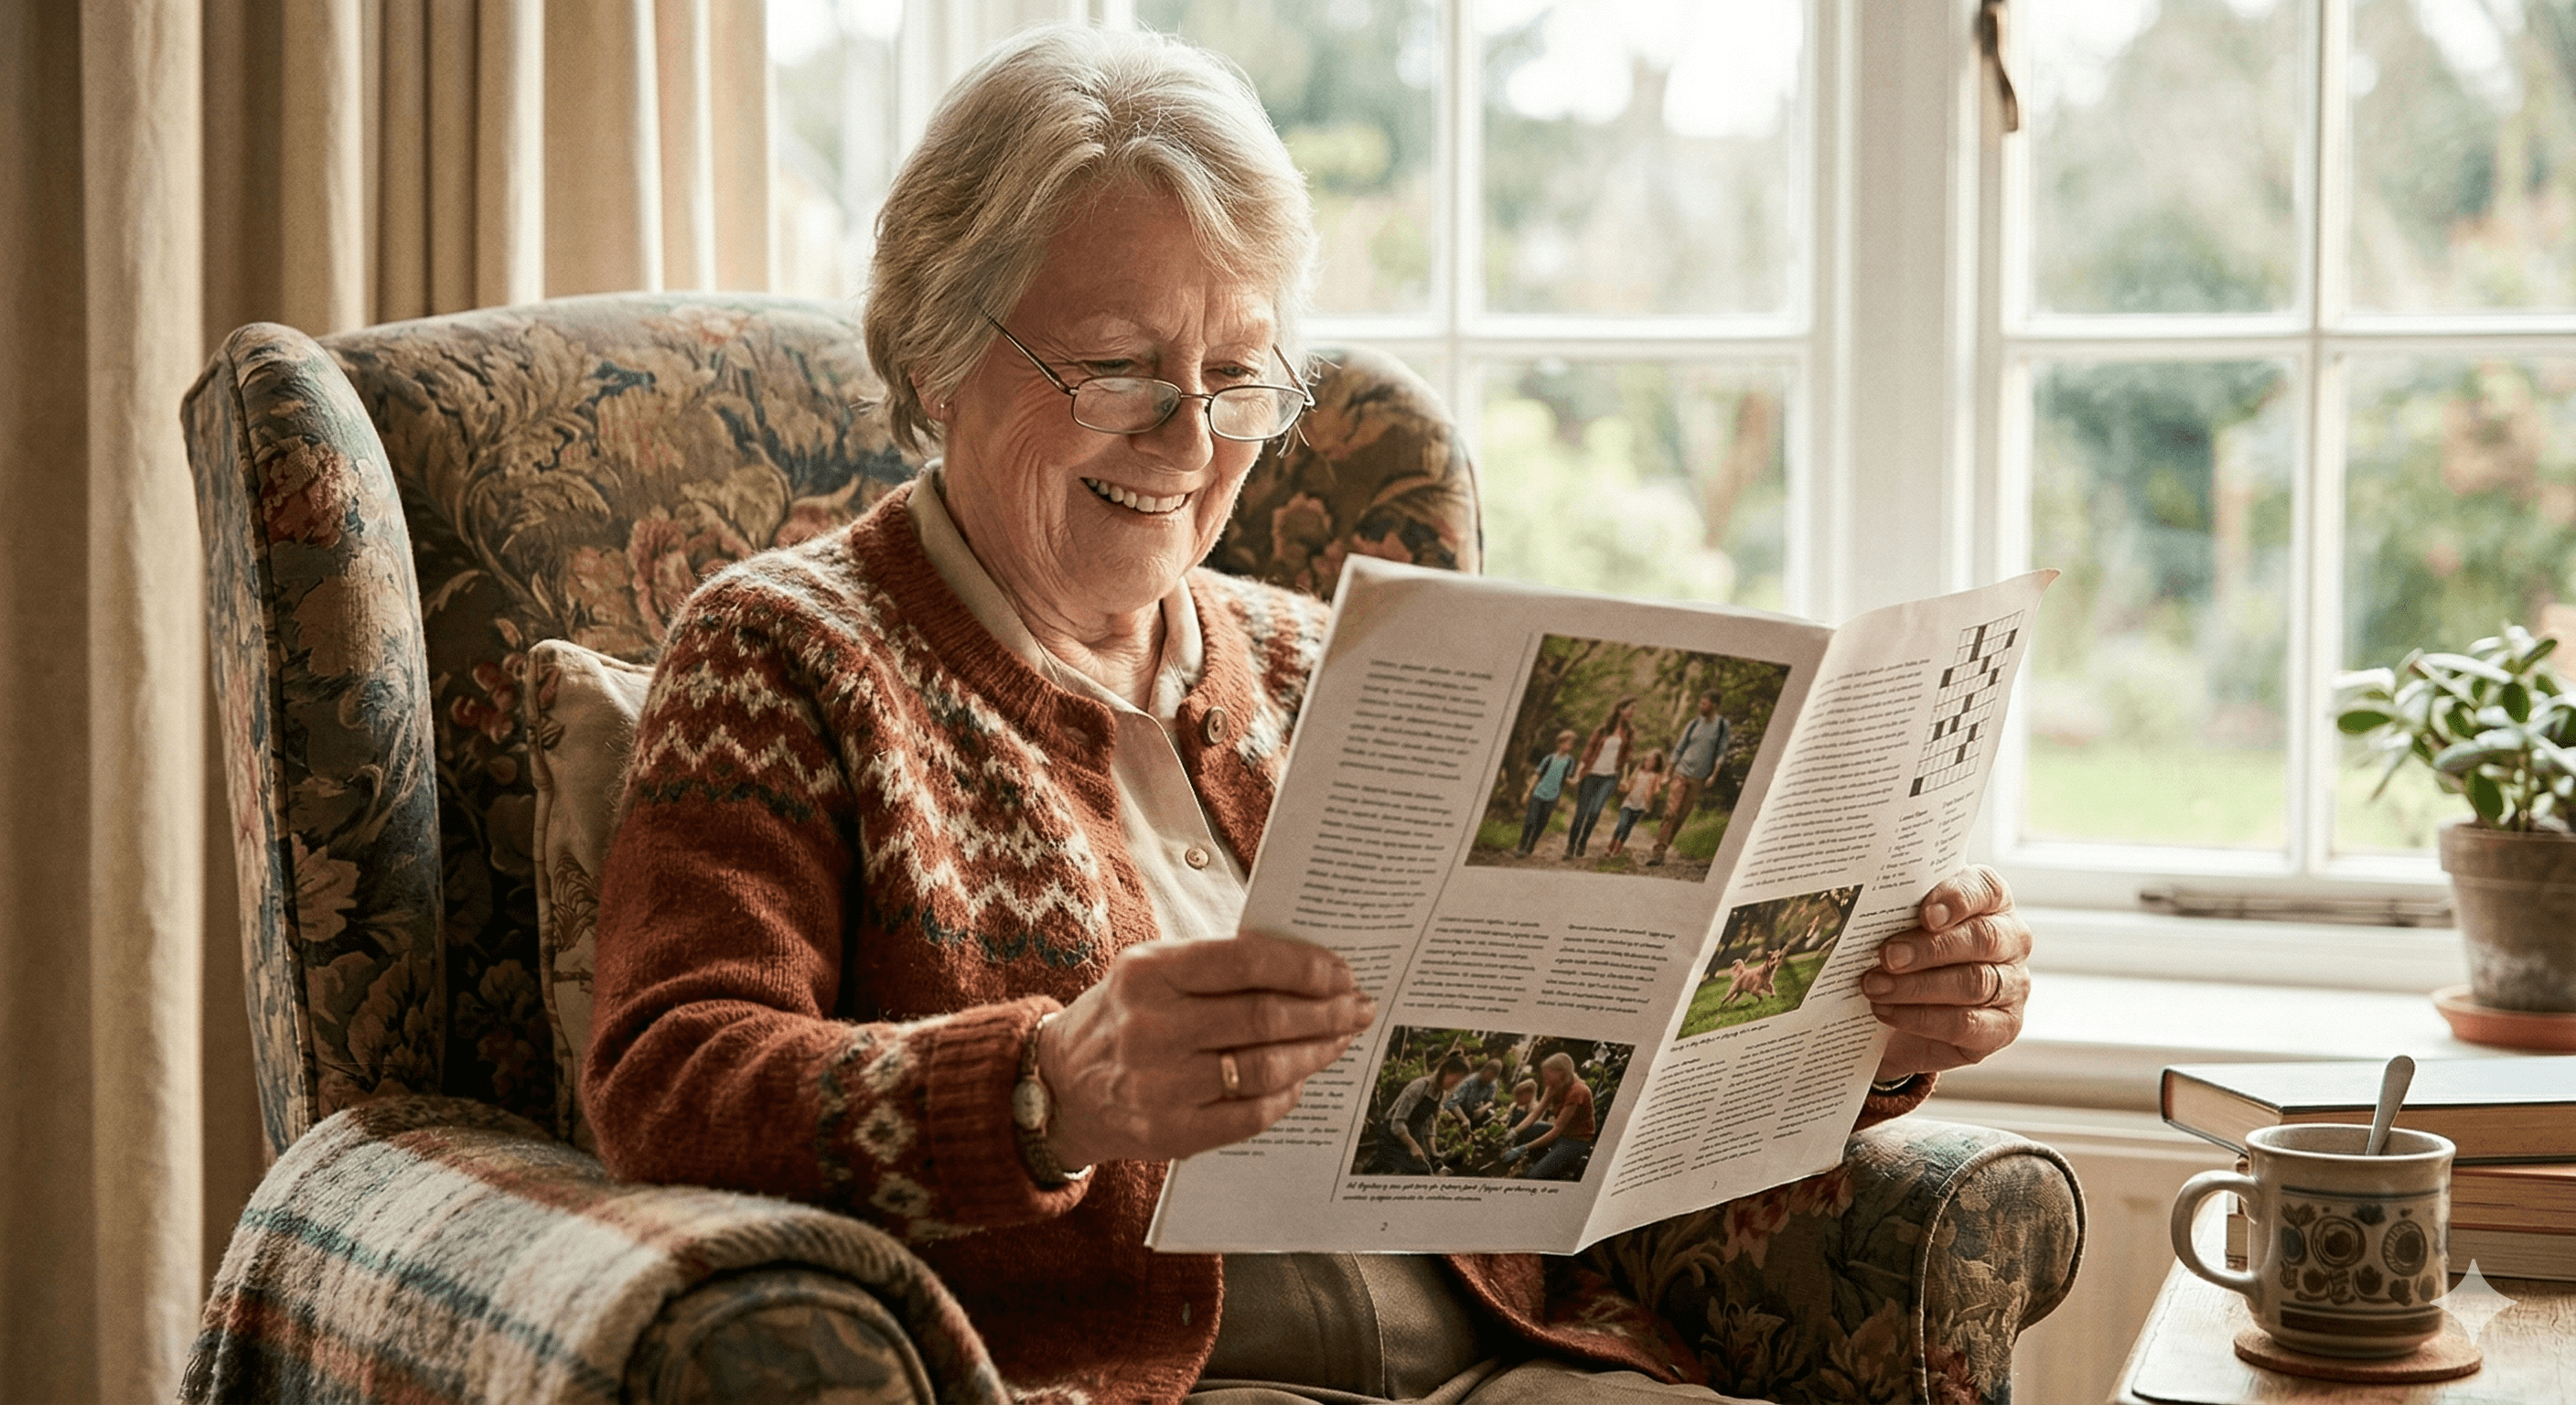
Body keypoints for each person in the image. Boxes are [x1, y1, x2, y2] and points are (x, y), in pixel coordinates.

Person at [585, 22, 2039, 1404]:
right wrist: (1046, 1092)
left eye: (1238, 378)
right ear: (934, 352)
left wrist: (1875, 1019)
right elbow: (670, 1078)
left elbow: (1597, 1079)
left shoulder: (1340, 660)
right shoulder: (784, 653)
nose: (1190, 436)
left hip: (1524, 1360)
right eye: (1119, 367)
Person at [1650, 692, 1732, 867]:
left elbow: (1721, 753)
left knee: (1681, 816)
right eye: (1700, 702)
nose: (1700, 706)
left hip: (1699, 778)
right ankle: (1659, 851)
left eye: (1704, 703)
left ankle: (1664, 846)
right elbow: (1679, 748)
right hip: (1681, 772)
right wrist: (1667, 772)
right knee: (1671, 812)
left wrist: (1714, 775)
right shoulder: (1693, 723)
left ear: (1714, 705)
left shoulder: (1722, 726)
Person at [1501, 1052, 1598, 1183]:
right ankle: (1535, 1160)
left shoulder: (1578, 1091)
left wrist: (1524, 1147)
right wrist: (1514, 1131)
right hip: (1563, 1132)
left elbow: (1556, 1131)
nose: (1546, 1080)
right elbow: (1536, 1114)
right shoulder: (1555, 1086)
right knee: (1532, 1129)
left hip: (1576, 1140)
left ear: (1563, 1073)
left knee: (1533, 1176)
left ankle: (1549, 1168)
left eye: (1548, 1076)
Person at [1564, 697, 1637, 859]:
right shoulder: (1603, 730)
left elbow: (1626, 757)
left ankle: (1583, 841)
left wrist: (1625, 778)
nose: (1633, 712)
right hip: (1591, 775)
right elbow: (1587, 752)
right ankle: (1570, 847)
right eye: (1630, 708)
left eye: (1634, 709)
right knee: (1581, 813)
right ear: (1621, 709)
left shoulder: (1630, 732)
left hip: (1609, 778)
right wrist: (1577, 774)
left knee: (1595, 812)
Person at [1376, 1054, 1472, 1174]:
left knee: (1428, 1167)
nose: (1454, 1086)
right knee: (1416, 1171)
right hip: (1393, 1135)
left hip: (1414, 1133)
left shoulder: (1440, 1093)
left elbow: (1430, 1125)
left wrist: (1433, 1153)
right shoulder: (1419, 1087)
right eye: (1454, 1081)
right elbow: (1397, 1123)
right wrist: (1413, 1146)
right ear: (1446, 1071)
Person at [1517, 730, 1580, 857]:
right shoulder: (1549, 758)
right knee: (1530, 820)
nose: (1568, 745)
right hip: (1538, 794)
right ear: (1560, 742)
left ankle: (1531, 844)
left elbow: (1566, 778)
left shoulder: (1569, 761)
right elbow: (1537, 775)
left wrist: (1574, 781)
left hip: (1553, 797)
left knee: (1542, 822)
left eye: (1571, 743)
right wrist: (1527, 792)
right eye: (1567, 742)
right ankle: (1521, 847)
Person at [1606, 748, 1667, 857]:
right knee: (1621, 824)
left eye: (1652, 761)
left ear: (1656, 763)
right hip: (1629, 802)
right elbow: (1628, 786)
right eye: (1647, 760)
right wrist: (1624, 784)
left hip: (1641, 805)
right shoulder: (1638, 771)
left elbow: (1657, 789)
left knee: (1628, 827)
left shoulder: (1656, 776)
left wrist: (1657, 787)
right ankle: (1610, 846)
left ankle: (1616, 851)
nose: (1648, 762)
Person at [1444, 1056, 1506, 1128]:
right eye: (1489, 1075)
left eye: (1492, 1077)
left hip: (1472, 1113)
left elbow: (1490, 1100)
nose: (1489, 1079)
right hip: (1458, 1112)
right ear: (1484, 1071)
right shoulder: (1470, 1082)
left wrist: (1483, 1108)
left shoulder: (1492, 1083)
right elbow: (1452, 1103)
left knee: (1490, 1114)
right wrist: (1464, 1119)